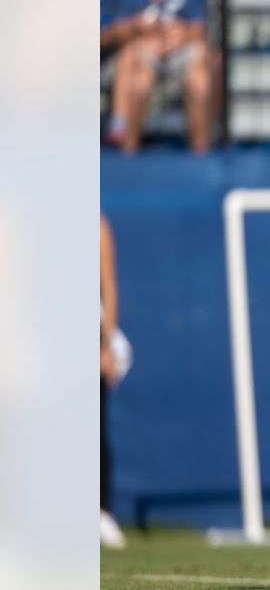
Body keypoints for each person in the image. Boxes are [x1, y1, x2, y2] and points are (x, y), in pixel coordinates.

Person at [101, 0, 211, 152]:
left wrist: (181, 34)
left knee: (201, 72)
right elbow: (109, 33)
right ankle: (122, 134)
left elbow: (200, 28)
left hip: (177, 54)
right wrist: (135, 29)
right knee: (136, 71)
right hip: (141, 56)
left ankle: (202, 153)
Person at [101, 214, 133, 550]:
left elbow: (106, 283)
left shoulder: (96, 225)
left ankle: (100, 512)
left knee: (95, 427)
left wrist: (105, 342)